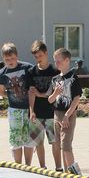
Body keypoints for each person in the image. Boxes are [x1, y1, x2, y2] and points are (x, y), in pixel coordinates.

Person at [0, 43, 34, 164]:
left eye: (12, 58)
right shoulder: (1, 74)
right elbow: (0, 91)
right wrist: (11, 96)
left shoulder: (27, 68)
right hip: (14, 110)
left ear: (16, 56)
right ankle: (18, 165)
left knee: (29, 138)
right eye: (7, 59)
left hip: (29, 109)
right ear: (3, 59)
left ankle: (28, 165)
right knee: (16, 138)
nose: (10, 61)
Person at [27, 40, 62, 170]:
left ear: (46, 53)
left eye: (40, 55)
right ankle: (43, 167)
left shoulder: (55, 71)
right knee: (38, 142)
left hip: (52, 113)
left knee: (55, 142)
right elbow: (31, 93)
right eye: (36, 57)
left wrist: (40, 94)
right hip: (37, 113)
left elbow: (57, 93)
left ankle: (58, 167)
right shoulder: (31, 71)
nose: (38, 59)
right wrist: (32, 111)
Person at [48, 48, 82, 175]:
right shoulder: (55, 79)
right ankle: (67, 173)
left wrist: (68, 115)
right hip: (57, 114)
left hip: (68, 114)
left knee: (66, 145)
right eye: (55, 61)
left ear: (67, 60)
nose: (56, 63)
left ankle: (75, 173)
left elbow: (77, 98)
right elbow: (50, 100)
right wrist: (56, 93)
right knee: (59, 145)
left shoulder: (73, 77)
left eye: (59, 61)